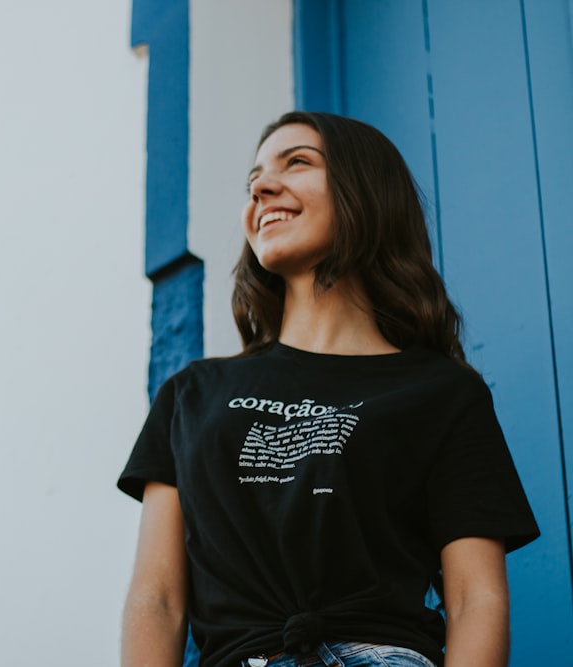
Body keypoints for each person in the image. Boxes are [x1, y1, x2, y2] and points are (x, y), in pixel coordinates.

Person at [118, 112, 539, 667]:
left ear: (365, 192)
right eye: (254, 181)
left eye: (297, 163)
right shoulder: (190, 395)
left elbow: (474, 599)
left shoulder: (443, 393)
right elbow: (157, 601)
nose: (263, 188)